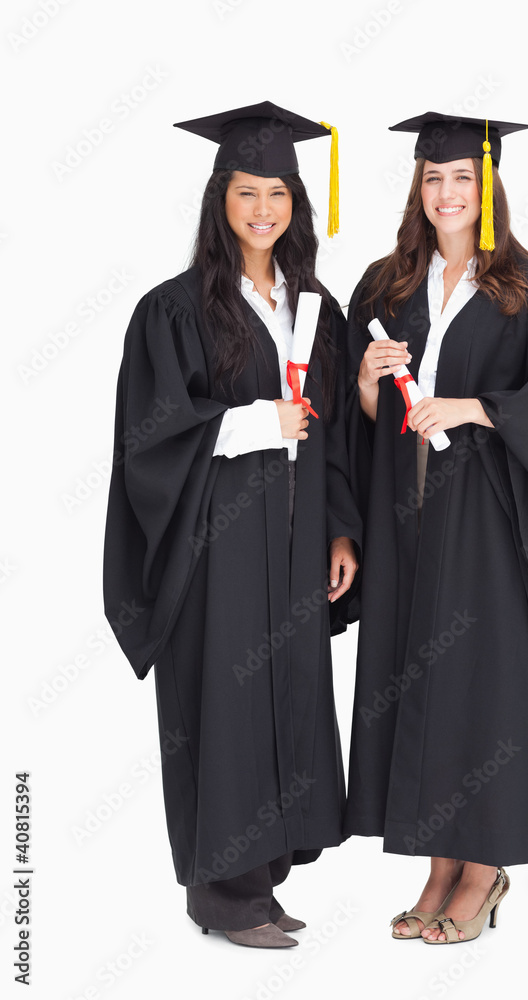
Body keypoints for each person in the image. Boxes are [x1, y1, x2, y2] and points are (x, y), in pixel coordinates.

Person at [343, 113, 528, 944]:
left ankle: (483, 866)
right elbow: (357, 425)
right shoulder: (383, 288)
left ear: (486, 188)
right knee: (423, 682)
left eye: (461, 178)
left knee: (483, 685)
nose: (446, 193)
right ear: (416, 190)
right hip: (407, 524)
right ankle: (437, 860)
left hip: (496, 525)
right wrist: (362, 379)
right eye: (432, 179)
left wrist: (478, 408)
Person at [102, 101, 361, 949]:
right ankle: (219, 893)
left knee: (285, 695)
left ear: (296, 203)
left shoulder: (314, 305)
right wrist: (251, 421)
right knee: (225, 700)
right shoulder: (173, 309)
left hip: (293, 541)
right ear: (220, 202)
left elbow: (336, 431)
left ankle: (263, 878)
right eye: (246, 192)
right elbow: (151, 436)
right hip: (214, 543)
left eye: (277, 192)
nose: (262, 209)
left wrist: (341, 530)